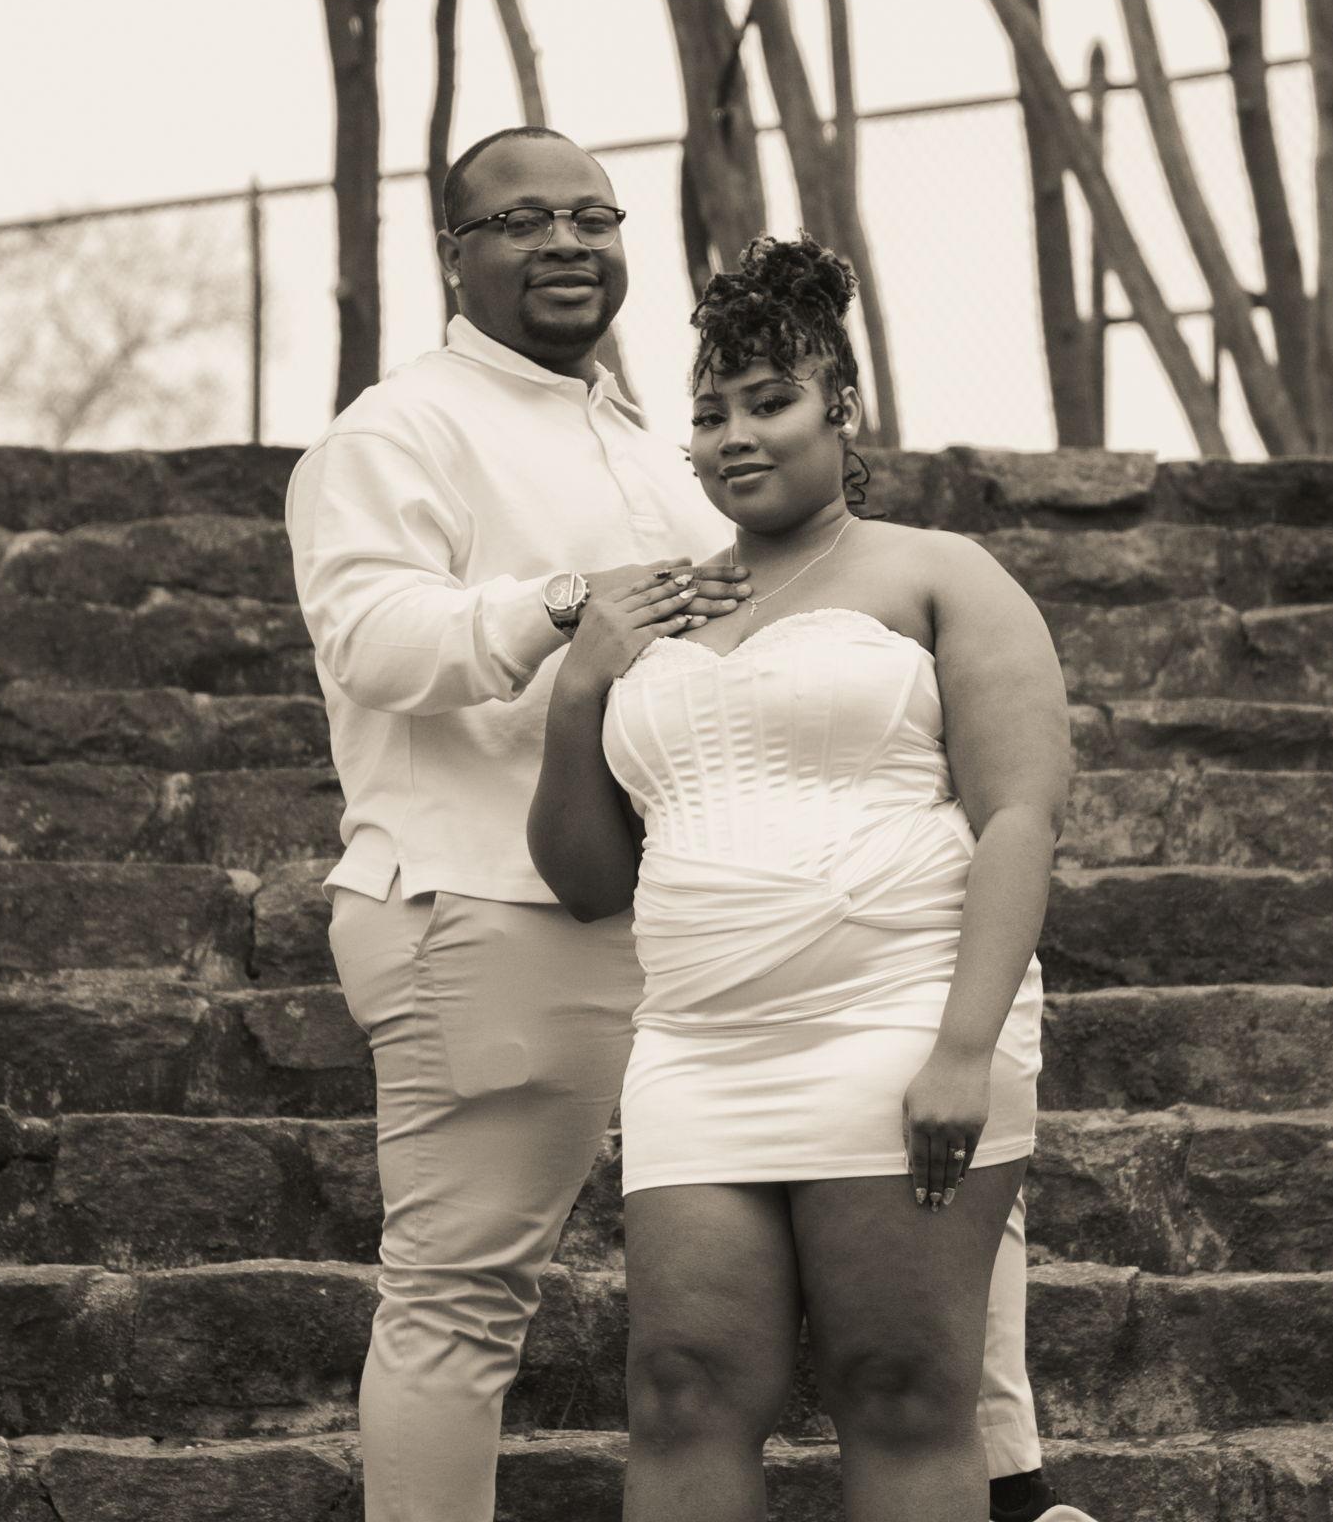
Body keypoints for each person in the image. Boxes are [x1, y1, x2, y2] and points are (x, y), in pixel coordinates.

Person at [286, 129, 1085, 1522]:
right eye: (522, 220)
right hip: (504, 914)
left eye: (592, 216)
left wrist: (965, 1035)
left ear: (841, 410)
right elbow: (370, 638)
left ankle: (1013, 1498)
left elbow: (1004, 796)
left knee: (917, 1346)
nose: (565, 241)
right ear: (452, 254)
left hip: (814, 973)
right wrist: (566, 622)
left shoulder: (661, 454)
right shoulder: (395, 430)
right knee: (501, 1313)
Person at [527, 234, 1081, 1522]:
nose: (735, 435)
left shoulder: (941, 573)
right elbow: (588, 879)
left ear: (843, 409)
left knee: (900, 1388)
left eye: (769, 400)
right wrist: (581, 684)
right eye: (709, 412)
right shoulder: (662, 609)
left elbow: (1020, 818)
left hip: (900, 1024)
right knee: (680, 1388)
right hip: (698, 1046)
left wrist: (963, 1049)